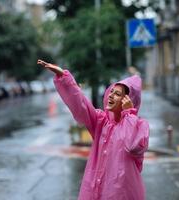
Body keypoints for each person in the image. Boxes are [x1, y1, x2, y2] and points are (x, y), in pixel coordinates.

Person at [37, 59, 150, 200]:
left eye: (117, 94)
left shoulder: (140, 125)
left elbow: (132, 146)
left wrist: (129, 114)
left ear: (128, 100)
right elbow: (81, 104)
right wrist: (64, 78)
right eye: (111, 91)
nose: (111, 95)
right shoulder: (101, 122)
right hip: (94, 191)